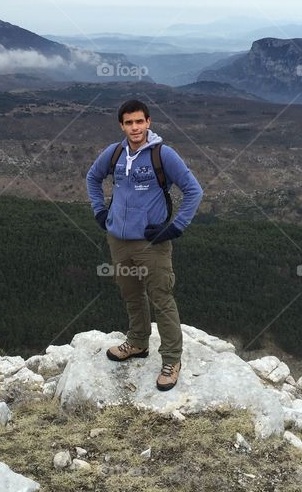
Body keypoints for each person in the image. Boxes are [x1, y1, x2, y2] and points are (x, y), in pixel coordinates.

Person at [86, 99, 203, 391]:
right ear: (122, 125)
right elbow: (93, 177)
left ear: (148, 122)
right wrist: (100, 211)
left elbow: (193, 190)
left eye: (139, 121)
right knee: (131, 294)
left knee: (161, 298)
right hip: (118, 240)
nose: (135, 127)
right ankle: (138, 342)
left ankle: (172, 359)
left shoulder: (163, 155)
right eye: (129, 122)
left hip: (151, 243)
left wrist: (174, 228)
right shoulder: (114, 153)